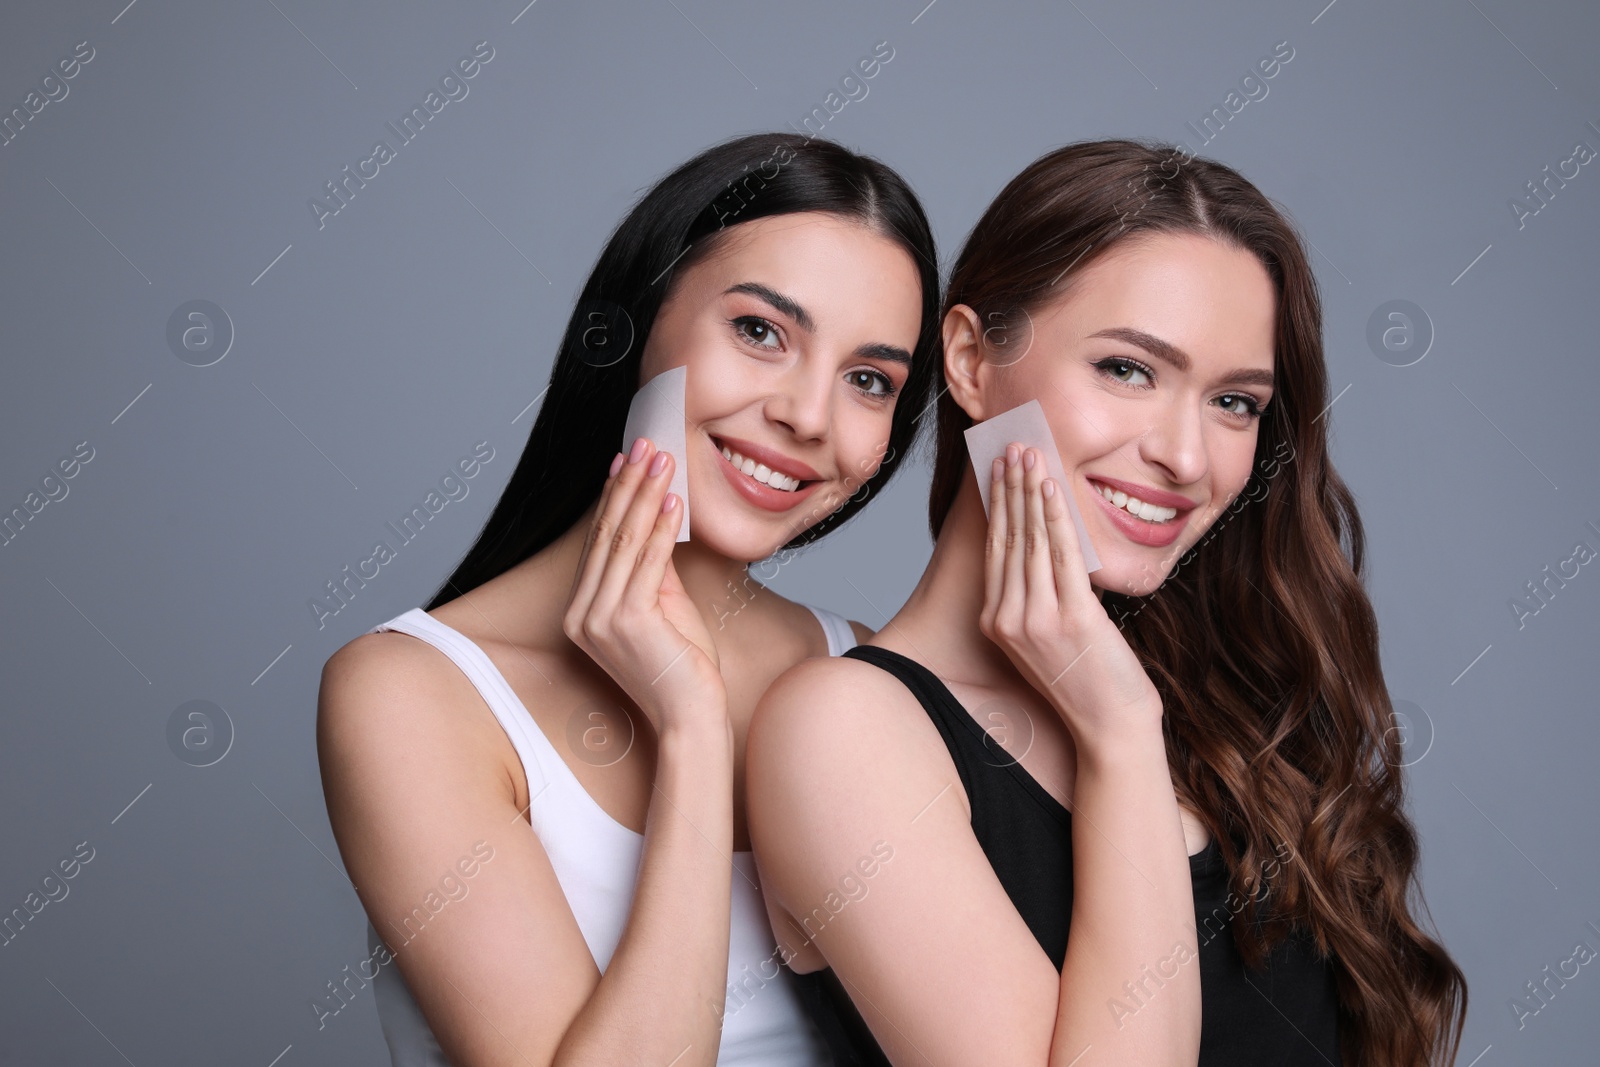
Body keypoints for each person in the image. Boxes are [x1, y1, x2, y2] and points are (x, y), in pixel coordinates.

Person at [747, 139, 1468, 1066]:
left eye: (1236, 404)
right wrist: (1121, 731)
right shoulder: (842, 731)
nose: (1188, 456)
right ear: (969, 359)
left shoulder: (1236, 719)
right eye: (1128, 369)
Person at [316, 130, 941, 1066]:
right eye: (761, 331)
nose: (810, 416)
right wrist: (691, 728)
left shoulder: (867, 673)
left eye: (868, 380)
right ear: (638, 322)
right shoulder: (409, 695)